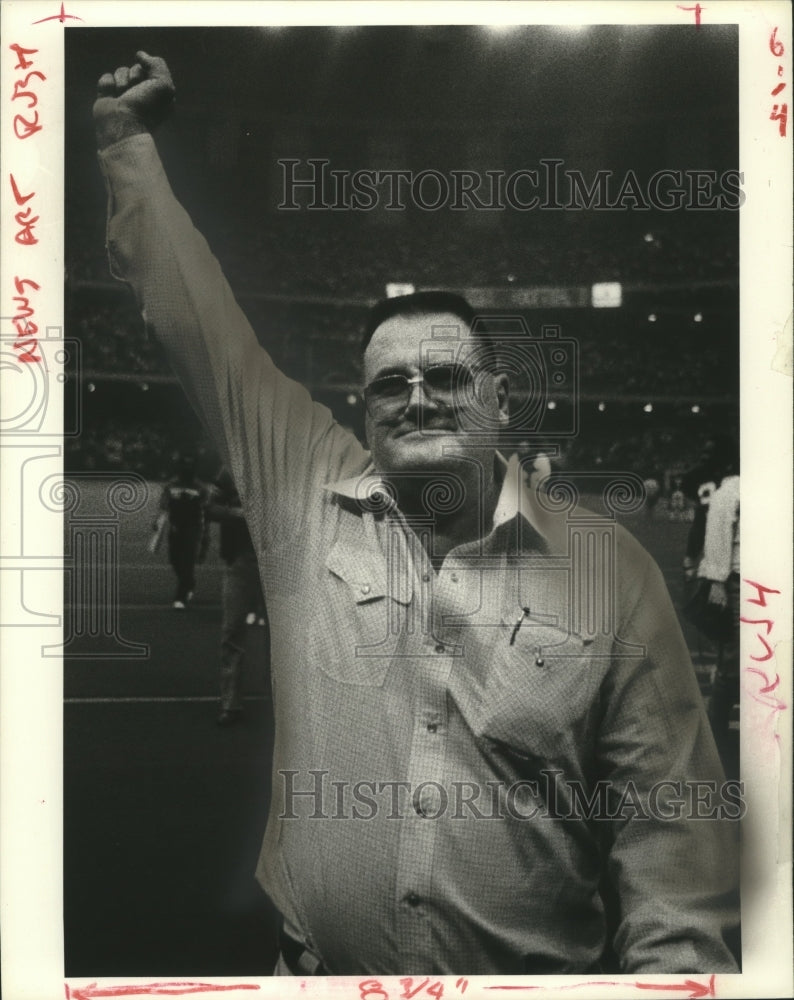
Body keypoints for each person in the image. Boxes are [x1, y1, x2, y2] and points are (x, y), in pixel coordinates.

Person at [94, 53, 739, 976]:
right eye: (390, 382)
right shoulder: (304, 497)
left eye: (446, 376)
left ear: (501, 398)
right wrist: (126, 143)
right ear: (362, 410)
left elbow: (672, 848)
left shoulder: (611, 570)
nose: (418, 397)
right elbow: (203, 326)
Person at [207, 468, 269, 726]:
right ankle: (230, 702)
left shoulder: (286, 464)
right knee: (232, 631)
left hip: (277, 560)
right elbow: (210, 507)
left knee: (282, 637)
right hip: (240, 559)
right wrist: (240, 514)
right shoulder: (230, 468)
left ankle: (284, 700)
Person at [695, 441, 740, 753]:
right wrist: (716, 582)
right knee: (735, 660)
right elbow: (717, 536)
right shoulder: (730, 491)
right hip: (741, 581)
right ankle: (716, 730)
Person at [153, 452, 209, 609]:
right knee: (174, 560)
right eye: (185, 466)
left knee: (187, 562)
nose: (187, 469)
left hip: (193, 528)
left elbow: (206, 512)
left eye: (190, 466)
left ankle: (180, 597)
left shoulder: (200, 488)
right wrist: (157, 521)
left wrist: (205, 537)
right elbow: (163, 505)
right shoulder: (171, 485)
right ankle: (189, 582)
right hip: (175, 527)